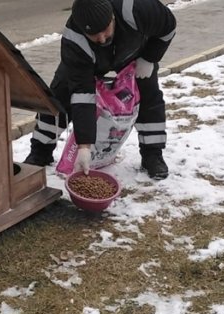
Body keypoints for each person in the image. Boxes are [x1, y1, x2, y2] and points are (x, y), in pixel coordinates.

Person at [23, 0, 176, 180]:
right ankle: (40, 150)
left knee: (150, 98)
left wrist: (150, 57)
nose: (102, 38)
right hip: (90, 63)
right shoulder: (74, 40)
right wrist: (84, 146)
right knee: (59, 95)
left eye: (105, 29)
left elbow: (168, 28)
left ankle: (153, 155)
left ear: (112, 17)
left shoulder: (136, 8)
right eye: (93, 34)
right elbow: (83, 96)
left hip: (135, 55)